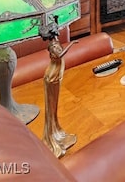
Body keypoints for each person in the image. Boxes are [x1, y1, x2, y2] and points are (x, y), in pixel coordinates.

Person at [39, 21, 76, 157]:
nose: (59, 29)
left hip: (57, 73)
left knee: (53, 104)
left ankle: (56, 132)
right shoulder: (53, 45)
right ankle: (51, 138)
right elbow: (60, 55)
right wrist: (71, 44)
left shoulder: (55, 41)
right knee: (51, 103)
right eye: (56, 29)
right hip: (52, 75)